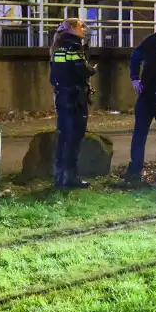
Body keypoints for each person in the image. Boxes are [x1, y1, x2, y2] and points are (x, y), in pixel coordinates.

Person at [124, 11, 156, 184]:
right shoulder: (149, 41)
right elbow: (135, 58)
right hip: (146, 95)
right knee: (139, 133)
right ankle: (135, 169)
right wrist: (134, 78)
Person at [49, 18, 97, 189]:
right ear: (71, 29)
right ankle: (71, 177)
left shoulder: (58, 48)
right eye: (80, 26)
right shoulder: (74, 47)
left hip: (62, 97)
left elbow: (54, 76)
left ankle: (60, 176)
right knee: (74, 138)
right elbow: (81, 70)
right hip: (75, 99)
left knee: (64, 137)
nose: (84, 29)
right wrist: (92, 69)